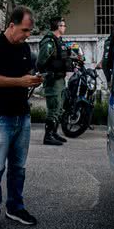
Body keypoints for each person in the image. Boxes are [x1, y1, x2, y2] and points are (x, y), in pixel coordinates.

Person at [0, 6, 44, 229]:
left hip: (22, 116)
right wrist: (21, 82)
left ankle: (15, 208)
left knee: (19, 168)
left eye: (29, 31)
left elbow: (24, 77)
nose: (27, 35)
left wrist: (34, 81)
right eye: (25, 30)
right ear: (11, 25)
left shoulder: (25, 48)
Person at [36, 17, 71, 146]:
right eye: (63, 25)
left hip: (60, 79)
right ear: (58, 26)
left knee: (59, 107)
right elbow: (40, 61)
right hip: (53, 80)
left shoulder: (59, 41)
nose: (65, 27)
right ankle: (48, 136)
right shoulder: (49, 41)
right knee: (53, 108)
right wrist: (46, 72)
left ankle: (54, 132)